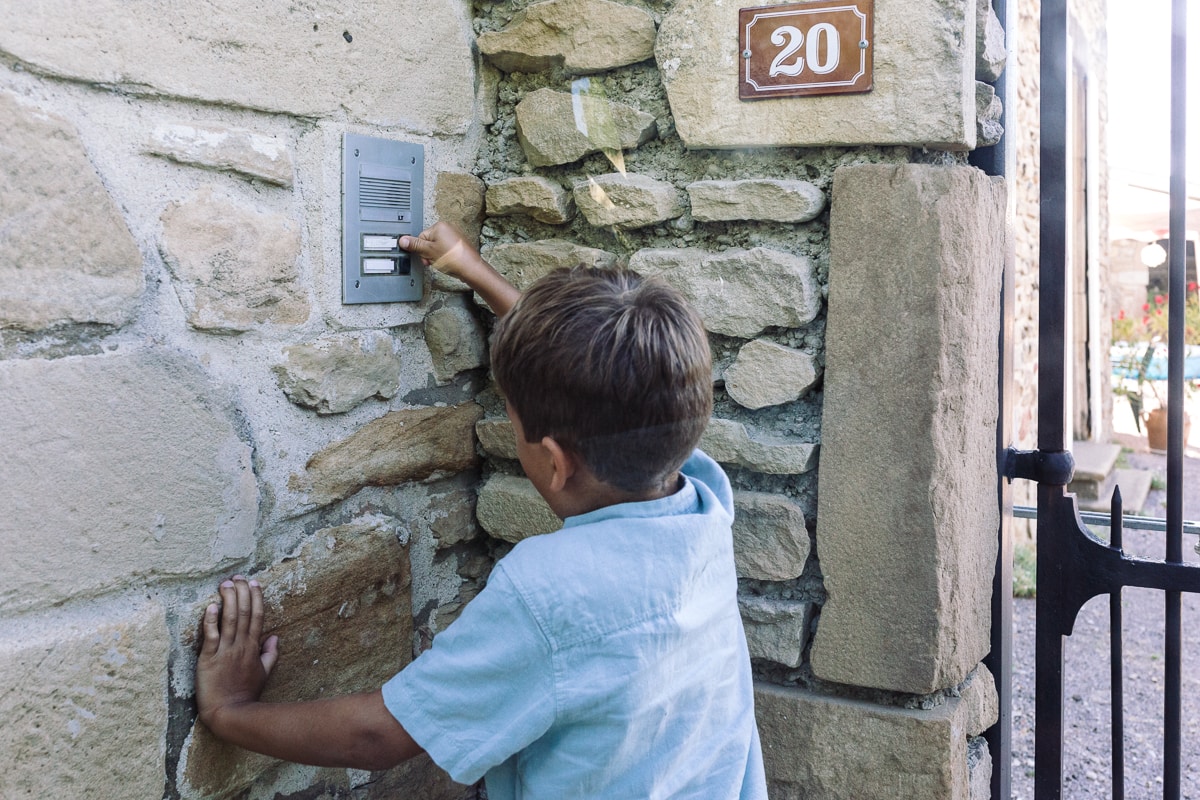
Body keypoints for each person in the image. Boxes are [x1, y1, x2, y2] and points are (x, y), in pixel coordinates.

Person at [195, 222, 767, 799]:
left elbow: (380, 737)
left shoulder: (547, 594)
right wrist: (477, 274)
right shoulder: (701, 500)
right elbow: (616, 385)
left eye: (515, 426)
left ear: (553, 461)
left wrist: (229, 710)